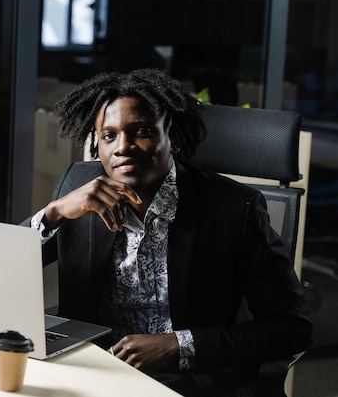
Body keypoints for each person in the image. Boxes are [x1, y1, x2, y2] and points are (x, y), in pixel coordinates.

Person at [23, 68, 313, 396]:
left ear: (171, 136)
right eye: (109, 136)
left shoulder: (235, 209)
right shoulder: (79, 188)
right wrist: (55, 212)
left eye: (142, 131)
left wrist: (178, 345)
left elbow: (291, 329)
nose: (123, 147)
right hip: (89, 371)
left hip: (186, 381)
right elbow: (0, 264)